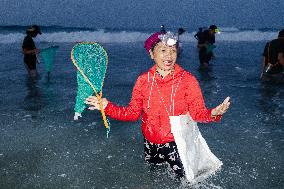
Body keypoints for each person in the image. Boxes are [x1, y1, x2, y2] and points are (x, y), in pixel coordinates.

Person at [85, 31, 230, 179]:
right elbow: (132, 113)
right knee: (154, 178)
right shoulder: (143, 80)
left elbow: (197, 113)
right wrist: (107, 107)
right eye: (163, 50)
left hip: (177, 144)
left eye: (173, 51)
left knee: (185, 181)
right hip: (150, 143)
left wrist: (214, 113)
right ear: (151, 54)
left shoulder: (188, 80)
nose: (169, 55)